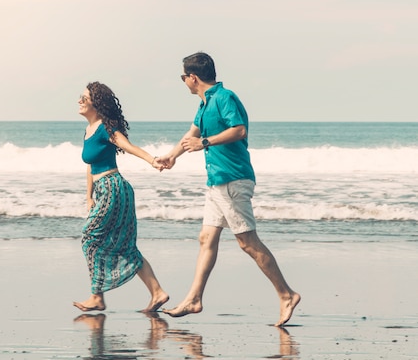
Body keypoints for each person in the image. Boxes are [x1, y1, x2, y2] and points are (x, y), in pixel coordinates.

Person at [156, 52, 300, 326]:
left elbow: (239, 130)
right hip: (216, 182)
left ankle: (286, 294)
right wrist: (172, 156)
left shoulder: (224, 97)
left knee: (247, 242)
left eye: (183, 77)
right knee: (206, 239)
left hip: (233, 180)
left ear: (192, 77)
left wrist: (206, 143)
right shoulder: (204, 104)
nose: (183, 81)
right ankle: (194, 299)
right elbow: (192, 134)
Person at [73, 81, 170, 313]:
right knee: (124, 245)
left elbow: (129, 146)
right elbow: (90, 164)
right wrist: (88, 196)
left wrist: (152, 160)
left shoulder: (106, 129)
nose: (79, 100)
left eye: (84, 98)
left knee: (89, 237)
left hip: (113, 188)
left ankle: (96, 296)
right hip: (103, 190)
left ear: (96, 103)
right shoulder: (88, 131)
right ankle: (158, 292)